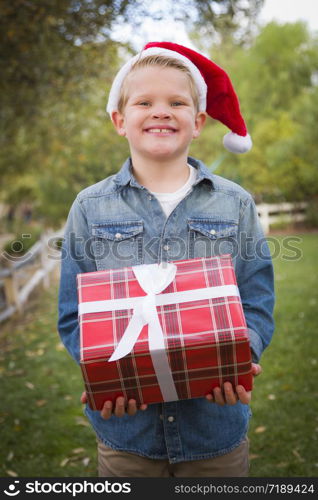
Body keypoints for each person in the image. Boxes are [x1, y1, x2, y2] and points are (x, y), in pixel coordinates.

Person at [58, 42, 274, 477]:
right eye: (144, 102)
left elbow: (255, 297)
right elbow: (74, 312)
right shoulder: (89, 206)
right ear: (120, 121)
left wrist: (238, 359)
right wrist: (105, 372)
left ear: (198, 122)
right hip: (127, 433)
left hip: (215, 431)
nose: (161, 111)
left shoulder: (235, 203)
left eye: (177, 102)